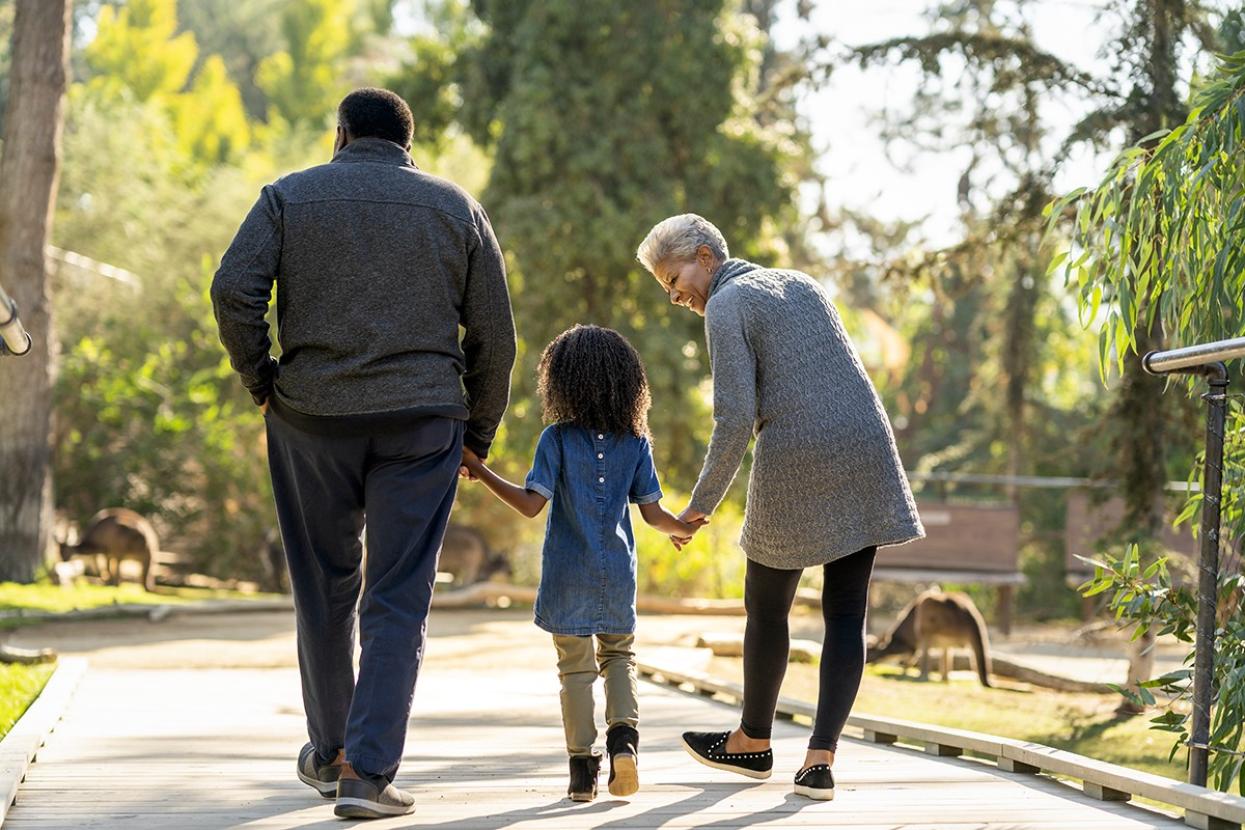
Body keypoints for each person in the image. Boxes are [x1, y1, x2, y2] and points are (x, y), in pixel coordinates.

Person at [211, 88, 516, 819]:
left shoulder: (289, 196)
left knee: (323, 589)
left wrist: (262, 381)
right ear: (407, 142)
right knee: (398, 596)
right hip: (422, 424)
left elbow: (232, 291)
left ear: (341, 134)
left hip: (310, 419)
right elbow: (496, 339)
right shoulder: (456, 207)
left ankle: (328, 752)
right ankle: (366, 774)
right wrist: (477, 433)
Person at [635, 214, 924, 802]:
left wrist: (698, 506)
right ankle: (819, 761)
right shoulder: (802, 282)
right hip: (865, 443)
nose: (674, 295)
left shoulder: (725, 304)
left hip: (798, 450)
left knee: (766, 607)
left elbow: (736, 415)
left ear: (705, 255)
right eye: (665, 287)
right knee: (846, 613)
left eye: (674, 278)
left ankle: (753, 740)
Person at [460, 325, 697, 802]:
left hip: (567, 571)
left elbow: (531, 505)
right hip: (617, 573)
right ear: (629, 384)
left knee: (575, 670)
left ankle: (582, 773)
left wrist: (480, 470)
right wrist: (682, 528)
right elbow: (653, 514)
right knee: (619, 657)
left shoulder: (557, 440)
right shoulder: (636, 442)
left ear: (562, 382)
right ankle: (624, 744)